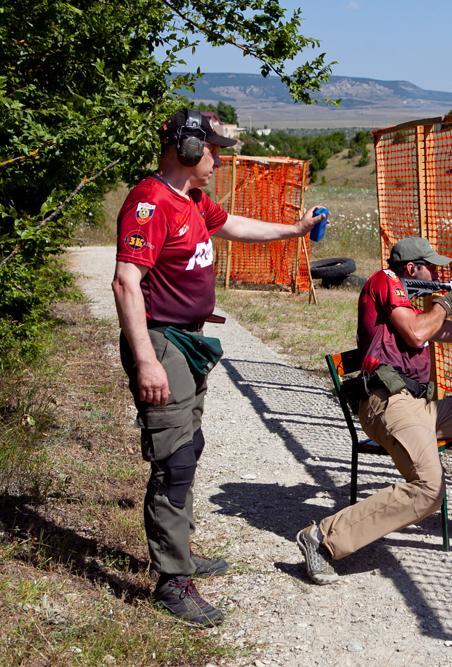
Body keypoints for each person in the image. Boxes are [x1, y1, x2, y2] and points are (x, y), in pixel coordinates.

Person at [112, 108, 324, 625]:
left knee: (189, 446)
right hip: (162, 345)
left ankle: (179, 555)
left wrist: (293, 230)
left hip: (189, 341)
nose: (220, 161)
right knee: (175, 460)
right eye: (215, 151)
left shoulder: (193, 199)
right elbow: (125, 283)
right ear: (188, 148)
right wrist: (146, 361)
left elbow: (232, 226)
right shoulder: (149, 203)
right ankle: (172, 581)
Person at [296, 237, 452, 584]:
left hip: (419, 407)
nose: (437, 273)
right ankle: (321, 538)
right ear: (412, 269)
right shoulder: (384, 281)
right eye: (431, 267)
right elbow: (416, 335)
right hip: (386, 403)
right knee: (430, 489)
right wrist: (447, 302)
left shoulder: (417, 311)